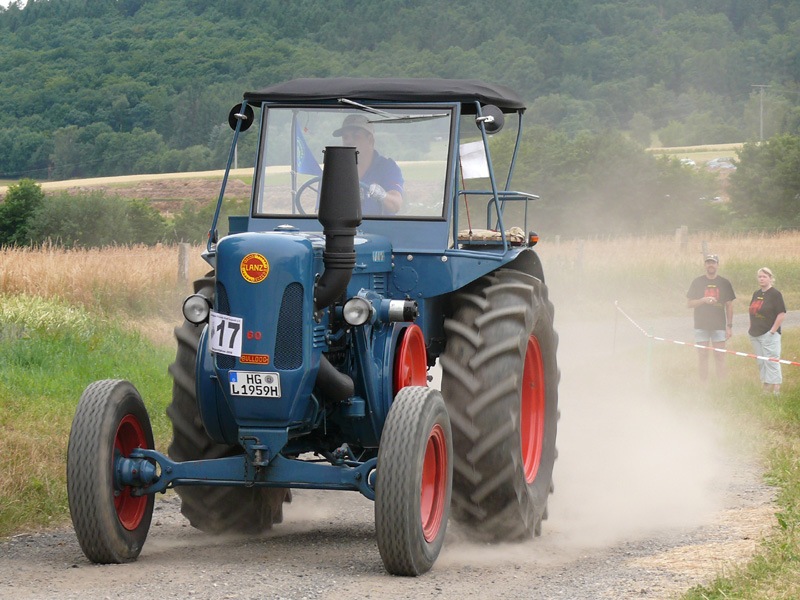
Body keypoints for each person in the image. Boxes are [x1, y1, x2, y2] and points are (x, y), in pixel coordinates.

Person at [333, 114, 403, 215]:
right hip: (344, 229)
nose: (349, 141)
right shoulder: (333, 171)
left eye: (356, 136)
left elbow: (395, 205)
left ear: (370, 140)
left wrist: (382, 195)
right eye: (345, 137)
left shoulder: (387, 167)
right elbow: (322, 211)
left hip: (380, 229)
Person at [686, 254, 735, 381]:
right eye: (708, 262)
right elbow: (689, 303)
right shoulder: (697, 282)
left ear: (717, 265)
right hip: (701, 325)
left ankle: (722, 384)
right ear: (705, 265)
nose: (711, 265)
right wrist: (703, 300)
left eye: (713, 262)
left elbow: (729, 305)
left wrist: (729, 326)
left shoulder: (724, 283)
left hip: (719, 325)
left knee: (719, 355)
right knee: (703, 355)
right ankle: (703, 383)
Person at [748, 267, 787, 395]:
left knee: (772, 362)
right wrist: (750, 328)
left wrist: (772, 331)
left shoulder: (775, 294)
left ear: (770, 278)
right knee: (761, 362)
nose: (761, 279)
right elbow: (752, 311)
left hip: (769, 334)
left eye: (764, 276)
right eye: (760, 277)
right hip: (755, 334)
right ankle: (766, 387)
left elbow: (781, 314)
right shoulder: (756, 293)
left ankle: (776, 390)